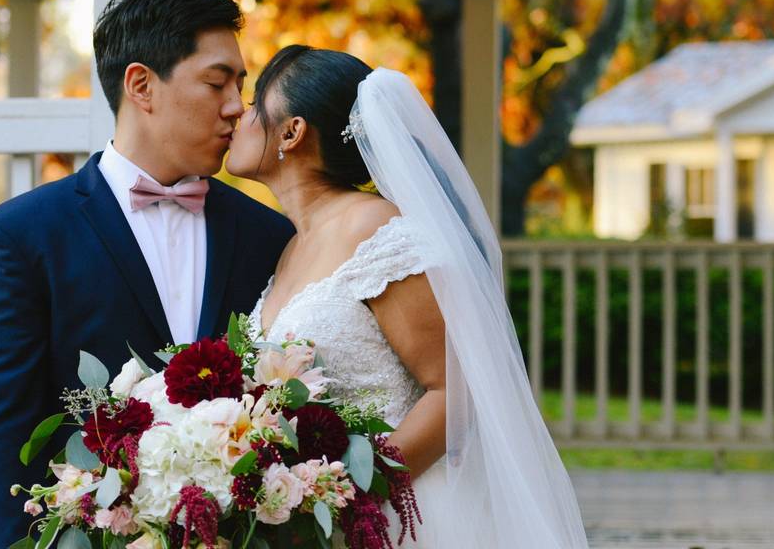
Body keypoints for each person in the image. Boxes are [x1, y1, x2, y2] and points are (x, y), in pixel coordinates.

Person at [0, 0, 294, 548]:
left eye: (240, 84)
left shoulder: (269, 234)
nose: (237, 107)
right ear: (141, 85)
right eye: (217, 82)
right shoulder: (16, 240)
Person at [226, 45, 589, 548]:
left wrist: (345, 496)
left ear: (292, 131)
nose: (237, 116)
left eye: (252, 105)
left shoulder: (377, 230)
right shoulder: (291, 247)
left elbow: (454, 393)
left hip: (395, 518)